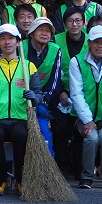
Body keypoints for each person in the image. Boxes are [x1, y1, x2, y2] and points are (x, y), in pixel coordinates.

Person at [0, 24, 43, 195]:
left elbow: (39, 94)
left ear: (18, 41)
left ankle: (21, 180)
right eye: (3, 39)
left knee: (21, 135)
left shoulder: (28, 66)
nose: (7, 42)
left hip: (20, 118)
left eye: (11, 38)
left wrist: (34, 98)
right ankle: (0, 180)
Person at [69, 25, 102, 190]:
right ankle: (87, 177)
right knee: (92, 138)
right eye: (96, 42)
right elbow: (76, 94)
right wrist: (87, 120)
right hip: (83, 116)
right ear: (89, 43)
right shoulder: (76, 61)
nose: (100, 46)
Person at [53, 7, 88, 177]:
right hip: (61, 91)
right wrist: (60, 92)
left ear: (84, 23)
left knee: (80, 130)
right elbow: (53, 68)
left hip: (84, 93)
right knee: (61, 128)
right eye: (70, 21)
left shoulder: (92, 41)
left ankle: (79, 167)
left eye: (78, 20)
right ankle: (62, 166)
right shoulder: (56, 40)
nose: (74, 24)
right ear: (65, 24)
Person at [24, 17, 63, 156]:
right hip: (22, 100)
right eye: (40, 30)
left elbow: (55, 80)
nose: (44, 33)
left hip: (45, 101)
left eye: (48, 31)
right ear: (32, 33)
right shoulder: (21, 47)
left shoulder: (55, 50)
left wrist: (43, 102)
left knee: (48, 130)